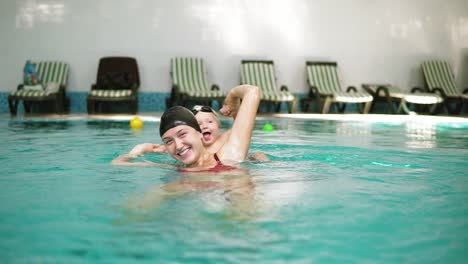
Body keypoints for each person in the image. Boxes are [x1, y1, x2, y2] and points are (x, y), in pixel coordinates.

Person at [112, 84, 261, 170]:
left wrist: (232, 96)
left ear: (199, 134)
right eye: (168, 141)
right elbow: (117, 164)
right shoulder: (174, 168)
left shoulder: (229, 155)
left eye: (183, 134)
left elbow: (253, 92)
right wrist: (137, 150)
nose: (177, 145)